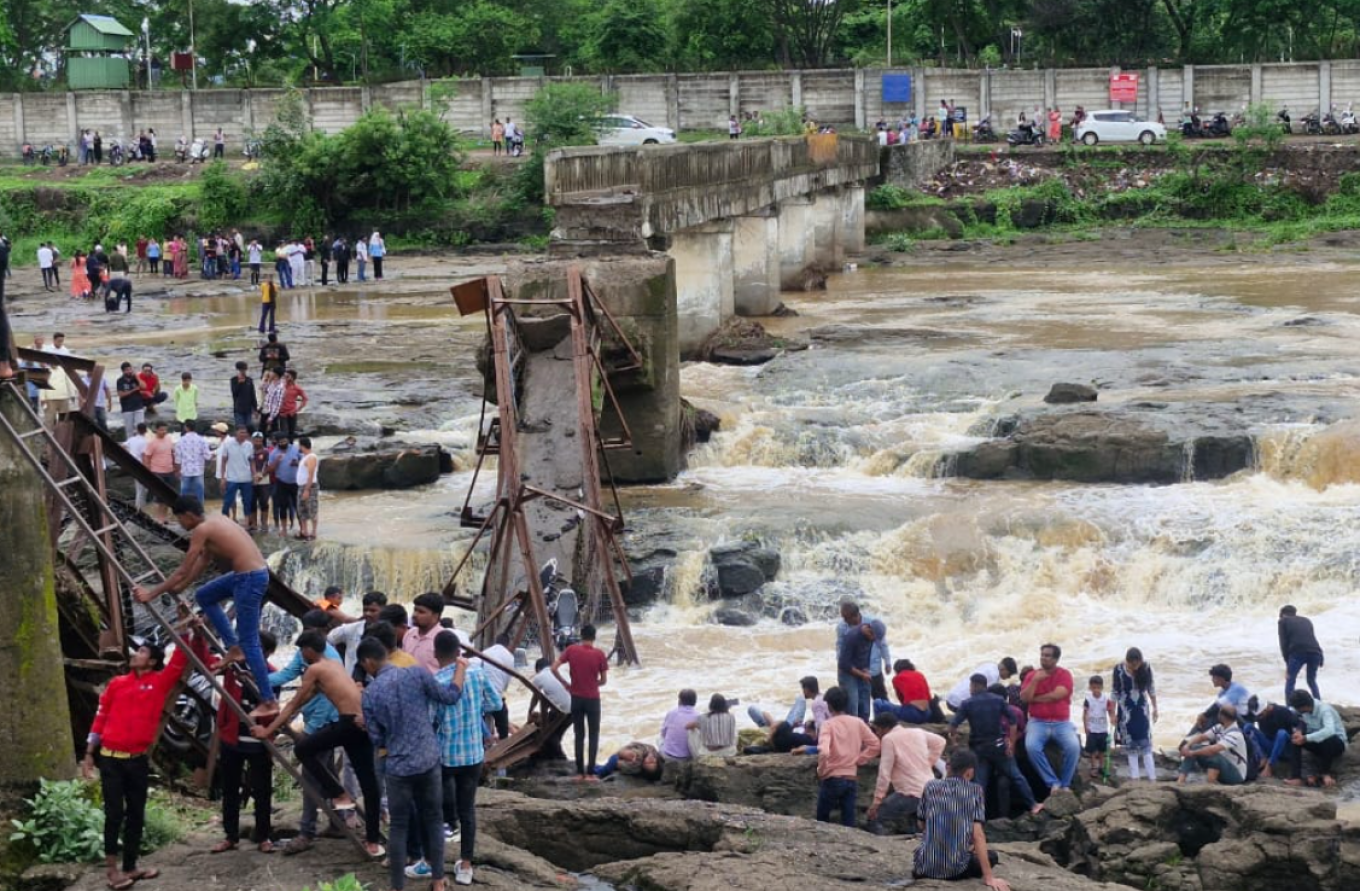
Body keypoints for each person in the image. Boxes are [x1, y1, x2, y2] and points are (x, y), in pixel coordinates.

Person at [133, 496, 278, 718]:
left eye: (179, 519)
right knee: (205, 595)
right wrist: (181, 587)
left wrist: (151, 593)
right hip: (249, 575)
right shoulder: (215, 521)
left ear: (188, 515)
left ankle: (269, 701)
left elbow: (183, 568)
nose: (179, 524)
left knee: (249, 641)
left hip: (249, 579)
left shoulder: (201, 530)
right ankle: (233, 647)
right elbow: (202, 562)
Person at [251, 633, 384, 858]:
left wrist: (267, 730)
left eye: (302, 651)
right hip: (362, 724)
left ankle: (338, 793)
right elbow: (308, 697)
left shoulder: (314, 669)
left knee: (303, 749)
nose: (302, 656)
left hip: (347, 723)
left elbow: (293, 703)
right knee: (369, 784)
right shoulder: (334, 664)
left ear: (309, 650)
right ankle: (373, 840)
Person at [83, 632, 196, 890]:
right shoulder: (117, 683)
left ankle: (131, 866)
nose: (136, 654)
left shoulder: (159, 683)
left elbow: (179, 661)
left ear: (154, 662)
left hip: (137, 761)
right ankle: (112, 870)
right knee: (114, 814)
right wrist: (89, 753)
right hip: (110, 759)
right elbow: (100, 718)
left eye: (143, 652)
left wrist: (187, 632)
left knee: (136, 813)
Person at [360, 635, 466, 891]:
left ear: (368, 662)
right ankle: (438, 881)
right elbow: (450, 696)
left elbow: (376, 738)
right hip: (428, 759)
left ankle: (398, 887)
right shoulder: (416, 674)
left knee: (398, 825)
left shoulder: (370, 693)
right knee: (433, 818)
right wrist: (460, 668)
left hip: (397, 766)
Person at [430, 631, 502, 886]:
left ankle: (432, 862)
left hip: (446, 755)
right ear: (458, 652)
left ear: (436, 653)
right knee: (467, 809)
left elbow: (430, 719)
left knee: (437, 807)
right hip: (473, 753)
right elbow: (496, 703)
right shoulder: (477, 673)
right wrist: (475, 710)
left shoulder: (436, 680)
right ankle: (466, 865)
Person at [211, 630, 279, 854]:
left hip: (259, 742)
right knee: (230, 788)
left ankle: (264, 836)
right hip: (232, 739)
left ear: (267, 653)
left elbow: (274, 708)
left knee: (262, 791)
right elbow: (209, 663)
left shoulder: (272, 675)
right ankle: (231, 836)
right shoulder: (234, 669)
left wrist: (271, 735)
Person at [913, 749, 1010, 891]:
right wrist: (989, 877)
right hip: (954, 871)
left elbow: (921, 823)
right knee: (992, 856)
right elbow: (977, 835)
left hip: (924, 868)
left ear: (947, 766)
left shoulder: (931, 786)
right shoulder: (975, 791)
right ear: (969, 772)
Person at [949, 673, 1039, 817]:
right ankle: (1033, 805)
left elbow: (952, 726)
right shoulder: (998, 700)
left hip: (979, 750)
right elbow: (1013, 721)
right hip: (999, 747)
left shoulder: (967, 703)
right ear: (985, 685)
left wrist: (954, 742)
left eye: (971, 686)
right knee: (1017, 776)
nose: (970, 689)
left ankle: (976, 815)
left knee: (980, 783)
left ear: (974, 685)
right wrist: (1011, 743)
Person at [867, 712, 946, 835]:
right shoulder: (917, 732)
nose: (877, 734)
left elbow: (884, 773)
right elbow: (940, 741)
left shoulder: (888, 739)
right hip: (930, 789)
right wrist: (928, 762)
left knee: (876, 818)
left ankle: (885, 848)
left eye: (877, 730)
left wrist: (876, 801)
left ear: (885, 728)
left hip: (910, 792)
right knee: (916, 822)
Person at [815, 686, 880, 827]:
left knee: (821, 818)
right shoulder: (857, 722)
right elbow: (875, 744)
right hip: (851, 776)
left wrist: (821, 770)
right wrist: (860, 759)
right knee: (848, 818)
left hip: (832, 777)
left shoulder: (827, 725)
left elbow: (824, 752)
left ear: (829, 705)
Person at [552, 623, 609, 781]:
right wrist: (593, 683)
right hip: (592, 699)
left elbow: (553, 668)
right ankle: (590, 773)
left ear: (581, 636)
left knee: (579, 735)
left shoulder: (571, 650)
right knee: (593, 735)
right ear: (594, 637)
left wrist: (565, 684)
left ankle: (579, 772)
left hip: (576, 698)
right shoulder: (599, 654)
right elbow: (604, 681)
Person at [1020, 643, 1080, 792]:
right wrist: (1035, 681)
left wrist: (1036, 698)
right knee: (1031, 747)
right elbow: (1025, 698)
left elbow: (1058, 695)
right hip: (1037, 721)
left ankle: (1065, 784)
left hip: (1061, 723)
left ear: (1055, 659)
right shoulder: (1032, 675)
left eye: (1047, 655)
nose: (1043, 658)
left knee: (1073, 747)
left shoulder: (1064, 674)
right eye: (1042, 655)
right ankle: (1053, 783)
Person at [1112, 648, 1159, 781]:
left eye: (1137, 664)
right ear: (1127, 662)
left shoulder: (1146, 667)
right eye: (1132, 665)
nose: (1135, 667)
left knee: (1145, 742)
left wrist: (1155, 707)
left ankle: (1152, 777)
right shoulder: (1119, 669)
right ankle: (1135, 778)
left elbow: (1151, 688)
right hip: (1125, 710)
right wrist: (1112, 713)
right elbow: (1115, 691)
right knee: (1130, 743)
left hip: (1142, 709)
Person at [1177, 704, 1249, 786]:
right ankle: (1181, 780)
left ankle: (1211, 783)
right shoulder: (1220, 727)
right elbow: (1202, 737)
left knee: (1214, 756)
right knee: (1194, 748)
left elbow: (1213, 750)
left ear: (1223, 716)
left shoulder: (1235, 734)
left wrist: (1191, 753)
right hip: (1223, 767)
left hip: (1236, 775)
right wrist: (1187, 746)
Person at [1287, 690, 1347, 787]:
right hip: (1318, 742)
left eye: (1297, 708)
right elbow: (1302, 723)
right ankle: (1296, 777)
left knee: (1328, 738)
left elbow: (1329, 730)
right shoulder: (1305, 711)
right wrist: (1299, 732)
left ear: (1304, 706)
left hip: (1336, 744)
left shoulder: (1324, 710)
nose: (1296, 710)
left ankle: (1325, 773)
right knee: (1295, 740)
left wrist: (1306, 738)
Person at [747, 675, 828, 737]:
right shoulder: (823, 697)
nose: (803, 691)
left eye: (803, 689)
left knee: (801, 699)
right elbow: (823, 719)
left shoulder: (816, 704)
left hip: (786, 730)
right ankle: (774, 724)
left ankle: (774, 724)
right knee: (752, 709)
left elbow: (821, 726)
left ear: (807, 689)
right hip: (786, 727)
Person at [835, 600, 875, 721]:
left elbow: (874, 648)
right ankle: (853, 732)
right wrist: (859, 673)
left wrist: (868, 669)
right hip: (848, 669)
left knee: (865, 705)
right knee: (852, 705)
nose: (844, 620)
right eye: (843, 617)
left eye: (846, 618)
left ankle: (864, 729)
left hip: (863, 667)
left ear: (856, 615)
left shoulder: (870, 625)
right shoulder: (844, 630)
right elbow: (842, 658)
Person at [1279, 605, 1323, 700]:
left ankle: (1290, 707)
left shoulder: (1283, 621)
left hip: (1297, 653)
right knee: (1311, 680)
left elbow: (1283, 643)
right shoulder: (1306, 620)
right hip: (1315, 652)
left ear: (1282, 614)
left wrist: (1287, 663)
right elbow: (1313, 638)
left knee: (1290, 680)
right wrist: (1321, 656)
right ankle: (1319, 703)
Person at [946, 658, 1018, 711]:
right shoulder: (994, 676)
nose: (1008, 677)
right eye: (1009, 674)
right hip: (958, 704)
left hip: (951, 697)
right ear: (1004, 669)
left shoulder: (989, 665)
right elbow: (986, 699)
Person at [875, 658, 933, 724]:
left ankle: (878, 726)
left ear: (897, 670)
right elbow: (929, 697)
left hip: (914, 714)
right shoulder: (920, 675)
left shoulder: (897, 678)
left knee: (878, 703)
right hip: (927, 713)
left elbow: (901, 699)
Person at [220, 426, 255, 528]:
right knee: (228, 500)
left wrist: (254, 475)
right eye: (241, 432)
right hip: (232, 478)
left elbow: (251, 461)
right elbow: (223, 461)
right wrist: (223, 477)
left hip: (246, 478)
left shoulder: (249, 445)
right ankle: (224, 520)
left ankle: (247, 522)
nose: (243, 434)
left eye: (245, 433)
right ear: (236, 433)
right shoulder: (228, 444)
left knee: (247, 501)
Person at [1198, 664, 1251, 731]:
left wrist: (1204, 715)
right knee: (1212, 715)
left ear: (1221, 679)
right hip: (1235, 718)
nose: (1212, 680)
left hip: (1245, 721)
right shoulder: (1223, 691)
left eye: (1214, 677)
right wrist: (1204, 715)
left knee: (1213, 715)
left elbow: (1217, 705)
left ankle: (1202, 733)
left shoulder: (1236, 689)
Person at [403, 592, 447, 671]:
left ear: (435, 615)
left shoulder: (444, 639)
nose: (414, 615)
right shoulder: (409, 633)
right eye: (415, 610)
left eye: (421, 612)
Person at [269, 432, 301, 537]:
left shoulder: (295, 448)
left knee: (298, 506)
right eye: (281, 441)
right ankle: (284, 530)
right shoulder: (274, 453)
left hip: (296, 482)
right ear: (277, 442)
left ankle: (302, 528)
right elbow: (270, 469)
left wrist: (297, 463)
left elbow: (305, 462)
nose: (283, 443)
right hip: (281, 482)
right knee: (282, 506)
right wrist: (277, 461)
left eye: (285, 440)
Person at [686, 694, 737, 758]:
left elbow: (687, 726)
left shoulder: (703, 717)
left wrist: (700, 727)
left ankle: (695, 757)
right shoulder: (731, 716)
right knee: (733, 728)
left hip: (709, 754)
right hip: (729, 752)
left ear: (711, 705)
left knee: (691, 730)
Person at [1083, 675, 1114, 779]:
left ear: (1102, 687)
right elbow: (1086, 714)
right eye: (1093, 687)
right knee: (1092, 751)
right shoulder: (1088, 699)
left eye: (1098, 687)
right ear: (1090, 688)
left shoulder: (1106, 699)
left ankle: (1101, 766)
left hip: (1103, 729)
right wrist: (1086, 727)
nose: (1096, 690)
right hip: (1092, 729)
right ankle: (1094, 767)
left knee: (1102, 750)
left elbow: (1110, 711)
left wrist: (1112, 718)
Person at [174, 419, 211, 503]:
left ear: (186, 428)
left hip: (185, 470)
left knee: (184, 493)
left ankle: (185, 511)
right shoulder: (202, 440)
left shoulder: (180, 441)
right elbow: (207, 456)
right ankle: (200, 511)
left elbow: (178, 458)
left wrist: (177, 470)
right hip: (198, 470)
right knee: (199, 493)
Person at [660, 689, 700, 761]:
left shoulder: (672, 713)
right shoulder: (698, 716)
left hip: (669, 756)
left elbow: (663, 733)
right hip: (689, 757)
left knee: (659, 740)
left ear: (680, 700)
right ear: (695, 702)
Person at [296, 435, 320, 540]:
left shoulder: (312, 457)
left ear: (302, 446)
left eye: (299, 445)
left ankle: (314, 532)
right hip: (302, 486)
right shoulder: (305, 457)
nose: (298, 447)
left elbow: (311, 474)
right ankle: (304, 531)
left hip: (310, 487)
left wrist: (306, 490)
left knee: (312, 509)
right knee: (302, 509)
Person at [279, 369, 308, 440]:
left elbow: (305, 399)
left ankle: (291, 446)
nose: (285, 378)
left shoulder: (297, 388)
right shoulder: (281, 386)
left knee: (291, 432)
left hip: (292, 412)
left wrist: (297, 409)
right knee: (284, 432)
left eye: (287, 376)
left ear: (293, 377)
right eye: (284, 376)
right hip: (282, 412)